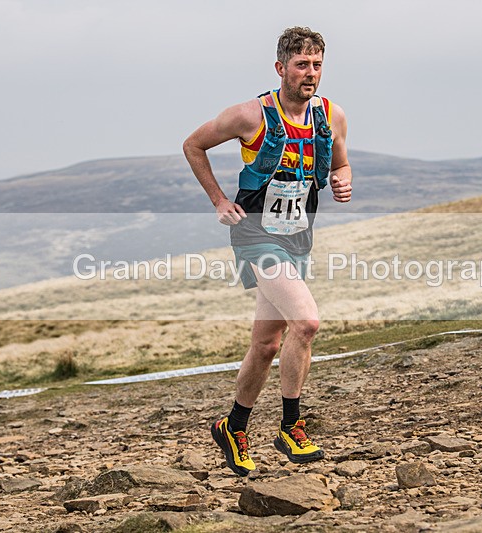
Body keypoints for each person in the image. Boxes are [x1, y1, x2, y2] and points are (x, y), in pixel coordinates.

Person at [183, 27, 351, 475]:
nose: (310, 73)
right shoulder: (249, 115)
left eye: (317, 65)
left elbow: (341, 163)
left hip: (297, 238)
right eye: (301, 65)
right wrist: (219, 200)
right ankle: (290, 426)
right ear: (281, 68)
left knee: (265, 345)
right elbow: (193, 145)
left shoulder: (331, 116)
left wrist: (343, 180)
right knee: (307, 322)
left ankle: (232, 426)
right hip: (256, 235)